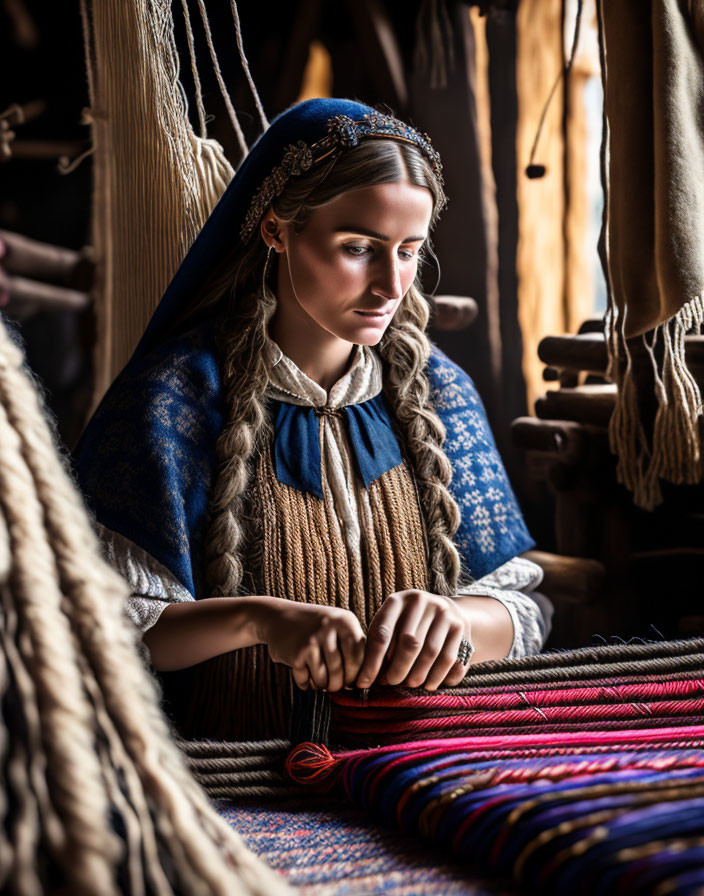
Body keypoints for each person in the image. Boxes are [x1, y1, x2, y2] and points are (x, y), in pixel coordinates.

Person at [75, 98, 551, 740]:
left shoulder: (439, 393)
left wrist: (456, 621)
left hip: (413, 761)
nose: (391, 284)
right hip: (237, 778)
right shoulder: (175, 400)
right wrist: (260, 621)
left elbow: (526, 608)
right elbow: (103, 629)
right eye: (358, 248)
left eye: (410, 251)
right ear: (277, 230)